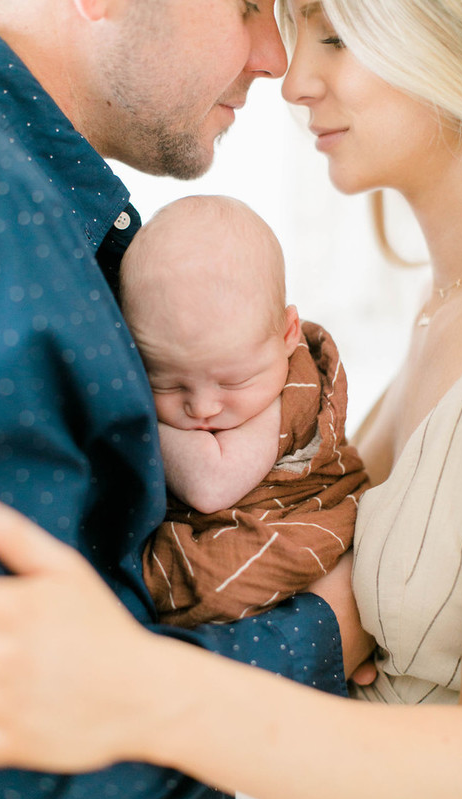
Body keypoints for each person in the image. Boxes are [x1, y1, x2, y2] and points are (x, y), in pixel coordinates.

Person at [0, 0, 462, 799]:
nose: (287, 74)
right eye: (250, 8)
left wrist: (146, 684)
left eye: (336, 36)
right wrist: (313, 632)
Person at [120, 193, 368, 627]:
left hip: (300, 520)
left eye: (232, 382)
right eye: (167, 383)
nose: (203, 407)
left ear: (288, 334)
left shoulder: (291, 393)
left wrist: (132, 420)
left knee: (212, 578)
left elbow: (211, 485)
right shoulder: (243, 364)